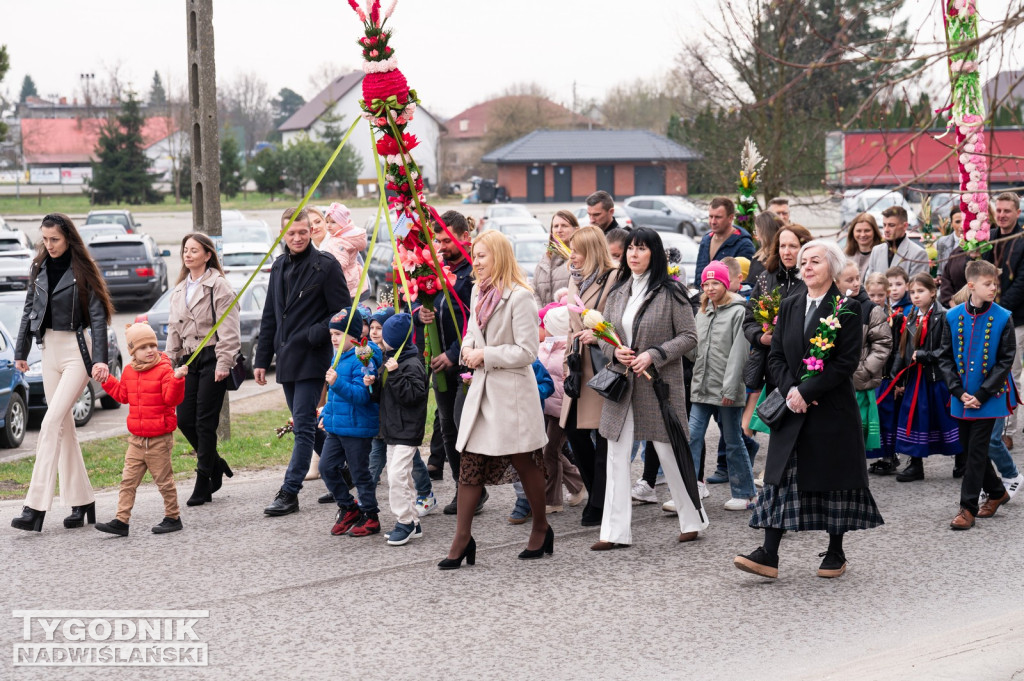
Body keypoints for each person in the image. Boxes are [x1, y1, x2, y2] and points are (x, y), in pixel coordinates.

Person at [734, 240, 883, 580]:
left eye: (815, 261)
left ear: (831, 266)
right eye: (804, 262)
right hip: (793, 406)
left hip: (830, 407)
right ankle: (768, 554)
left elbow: (846, 362)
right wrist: (791, 392)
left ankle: (835, 550)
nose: (807, 266)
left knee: (834, 480)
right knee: (781, 478)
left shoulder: (846, 307)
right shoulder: (790, 304)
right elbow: (776, 357)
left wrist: (808, 390)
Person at [439, 230, 550, 570]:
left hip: (513, 395)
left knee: (525, 462)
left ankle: (541, 528)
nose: (477, 261)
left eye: (483, 255)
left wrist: (485, 354)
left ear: (499, 256)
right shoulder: (477, 291)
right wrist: (470, 349)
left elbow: (527, 351)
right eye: (475, 254)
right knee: (470, 463)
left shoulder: (521, 297)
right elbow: (473, 331)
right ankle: (462, 539)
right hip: (484, 393)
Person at [596, 227, 708, 549]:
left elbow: (689, 337)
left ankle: (692, 519)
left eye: (641, 248)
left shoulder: (671, 292)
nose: (633, 254)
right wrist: (614, 351)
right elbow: (606, 335)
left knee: (670, 453)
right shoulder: (618, 291)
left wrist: (654, 354)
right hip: (622, 384)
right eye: (630, 248)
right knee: (616, 455)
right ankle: (614, 534)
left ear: (654, 254)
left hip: (657, 385)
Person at [11, 213, 113, 533]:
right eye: (45, 239)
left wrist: (101, 360)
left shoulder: (83, 270)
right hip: (47, 350)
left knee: (51, 422)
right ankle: (83, 500)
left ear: (68, 236)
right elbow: (30, 310)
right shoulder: (38, 268)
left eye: (54, 239)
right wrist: (20, 353)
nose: (49, 245)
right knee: (64, 427)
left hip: (77, 352)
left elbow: (98, 317)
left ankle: (35, 507)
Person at [256, 207, 350, 517]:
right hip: (286, 359)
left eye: (302, 231)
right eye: (291, 232)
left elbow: (342, 314)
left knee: (303, 426)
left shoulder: (325, 266)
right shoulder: (279, 266)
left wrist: (315, 333)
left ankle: (290, 491)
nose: (297, 237)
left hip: (313, 357)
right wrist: (261, 358)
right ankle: (344, 471)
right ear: (282, 234)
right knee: (307, 423)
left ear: (310, 231)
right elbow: (270, 315)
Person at [939, 259, 1019, 530]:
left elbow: (1005, 360)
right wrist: (959, 392)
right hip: (961, 398)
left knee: (975, 453)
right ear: (971, 285)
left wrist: (982, 395)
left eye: (995, 283)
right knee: (969, 448)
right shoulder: (951, 317)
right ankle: (997, 492)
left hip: (990, 399)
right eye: (988, 284)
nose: (993, 288)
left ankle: (967, 508)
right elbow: (945, 358)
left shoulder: (1003, 317)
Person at [165, 232, 241, 507]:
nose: (188, 254)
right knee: (184, 419)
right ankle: (216, 463)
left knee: (205, 422)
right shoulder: (178, 289)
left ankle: (203, 481)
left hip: (213, 356)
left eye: (194, 250)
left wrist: (224, 363)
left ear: (207, 255)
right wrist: (168, 361)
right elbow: (174, 329)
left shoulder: (218, 286)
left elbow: (230, 329)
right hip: (187, 360)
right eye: (185, 250)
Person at [94, 324, 188, 537]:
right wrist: (107, 380)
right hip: (136, 440)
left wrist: (177, 379)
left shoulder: (164, 369)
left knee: (164, 481)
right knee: (128, 481)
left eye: (152, 345)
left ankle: (173, 517)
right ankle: (121, 520)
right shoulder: (129, 371)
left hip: (158, 440)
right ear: (132, 352)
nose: (150, 350)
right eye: (143, 347)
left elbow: (172, 399)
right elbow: (122, 395)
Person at [416, 210, 479, 515]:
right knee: (447, 428)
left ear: (465, 237)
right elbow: (422, 299)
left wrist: (453, 354)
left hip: (465, 361)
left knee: (462, 425)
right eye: (437, 240)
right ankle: (462, 487)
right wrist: (421, 312)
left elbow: (476, 321)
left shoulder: (473, 272)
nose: (440, 246)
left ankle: (473, 488)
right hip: (439, 363)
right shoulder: (436, 268)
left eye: (446, 240)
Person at [559, 225, 620, 527]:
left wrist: (597, 337)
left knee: (603, 434)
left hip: (602, 365)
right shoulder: (574, 278)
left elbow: (620, 325)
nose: (573, 256)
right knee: (574, 432)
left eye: (578, 250)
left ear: (592, 250)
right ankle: (598, 491)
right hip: (576, 364)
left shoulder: (613, 277)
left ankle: (600, 501)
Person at [739, 225, 812, 464]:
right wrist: (761, 337)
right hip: (774, 366)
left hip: (805, 366)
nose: (787, 252)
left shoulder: (811, 277)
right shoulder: (767, 276)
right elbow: (749, 319)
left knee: (805, 425)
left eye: (793, 246)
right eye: (782, 246)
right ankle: (779, 473)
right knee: (778, 421)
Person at [687, 262, 756, 511]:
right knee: (692, 435)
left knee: (732, 439)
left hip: (726, 389)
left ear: (726, 284)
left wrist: (729, 388)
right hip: (701, 387)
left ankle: (746, 493)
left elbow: (739, 352)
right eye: (706, 283)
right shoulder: (702, 312)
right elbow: (694, 349)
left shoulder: (738, 312)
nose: (710, 287)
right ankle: (689, 491)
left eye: (715, 283)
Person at [885, 273, 962, 481]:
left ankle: (961, 459)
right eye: (912, 292)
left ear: (933, 292)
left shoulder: (944, 316)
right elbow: (903, 351)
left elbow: (948, 350)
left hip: (938, 377)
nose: (915, 296)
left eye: (920, 291)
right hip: (915, 378)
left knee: (946, 419)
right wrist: (896, 379)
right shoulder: (910, 316)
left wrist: (924, 356)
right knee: (914, 418)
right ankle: (915, 463)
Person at [365, 313, 430, 545]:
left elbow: (413, 396)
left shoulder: (411, 364)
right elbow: (384, 397)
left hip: (407, 431)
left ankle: (404, 521)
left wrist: (395, 373)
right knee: (403, 476)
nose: (380, 337)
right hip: (392, 429)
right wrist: (373, 385)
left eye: (386, 335)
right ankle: (413, 521)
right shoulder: (390, 359)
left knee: (395, 475)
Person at [318, 308, 383, 537]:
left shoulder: (362, 357)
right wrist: (326, 413)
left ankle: (371, 515)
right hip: (337, 427)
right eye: (332, 334)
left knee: (359, 473)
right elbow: (334, 396)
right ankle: (348, 507)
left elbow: (362, 396)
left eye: (338, 334)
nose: (334, 339)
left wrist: (336, 383)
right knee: (325, 467)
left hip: (357, 427)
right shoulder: (336, 356)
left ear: (353, 335)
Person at [837, 261, 891, 454]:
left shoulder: (870, 309)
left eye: (857, 278)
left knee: (856, 437)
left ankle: (856, 482)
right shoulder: (832, 306)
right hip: (835, 382)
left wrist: (863, 371)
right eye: (849, 280)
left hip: (859, 383)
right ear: (836, 282)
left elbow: (883, 345)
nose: (855, 283)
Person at [536, 304, 584, 513]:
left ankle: (552, 501)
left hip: (562, 409)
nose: (543, 328)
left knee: (550, 451)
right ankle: (579, 484)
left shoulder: (567, 348)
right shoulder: (546, 346)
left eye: (546, 324)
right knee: (552, 451)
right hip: (549, 406)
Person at [871, 269, 909, 475]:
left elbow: (898, 352)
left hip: (887, 377)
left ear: (886, 294)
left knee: (888, 417)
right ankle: (877, 453)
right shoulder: (863, 316)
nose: (876, 299)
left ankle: (890, 455)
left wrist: (897, 379)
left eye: (880, 295)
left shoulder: (895, 318)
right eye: (872, 295)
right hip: (869, 377)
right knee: (873, 416)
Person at [693, 197, 755, 289]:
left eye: (718, 217)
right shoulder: (706, 240)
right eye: (710, 216)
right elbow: (699, 275)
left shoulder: (743, 244)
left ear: (730, 218)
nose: (713, 222)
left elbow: (744, 283)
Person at [320, 203, 368, 300]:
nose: (328, 226)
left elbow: (340, 264)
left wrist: (323, 271)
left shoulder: (340, 242)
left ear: (342, 223)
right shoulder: (342, 237)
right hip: (350, 278)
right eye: (327, 222)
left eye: (333, 222)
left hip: (344, 281)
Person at [866, 205, 929, 278]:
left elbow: (917, 287)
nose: (886, 229)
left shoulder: (918, 254)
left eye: (891, 225)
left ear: (905, 226)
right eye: (884, 225)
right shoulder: (876, 251)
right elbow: (868, 284)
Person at [534, 210, 579, 306]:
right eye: (555, 226)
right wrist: (541, 313)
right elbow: (534, 291)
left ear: (576, 229)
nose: (559, 230)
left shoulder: (579, 261)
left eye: (564, 226)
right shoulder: (544, 261)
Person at [938, 206, 968, 307]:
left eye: (964, 221)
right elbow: (941, 269)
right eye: (957, 222)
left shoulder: (974, 243)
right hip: (947, 293)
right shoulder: (942, 242)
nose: (961, 226)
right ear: (951, 224)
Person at [843, 212, 883, 279]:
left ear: (874, 231)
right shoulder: (845, 255)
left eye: (867, 230)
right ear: (852, 232)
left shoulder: (882, 254)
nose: (862, 234)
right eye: (858, 231)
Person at [746, 211, 782, 282]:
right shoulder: (758, 256)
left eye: (757, 232)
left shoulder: (779, 259)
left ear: (765, 233)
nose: (757, 237)